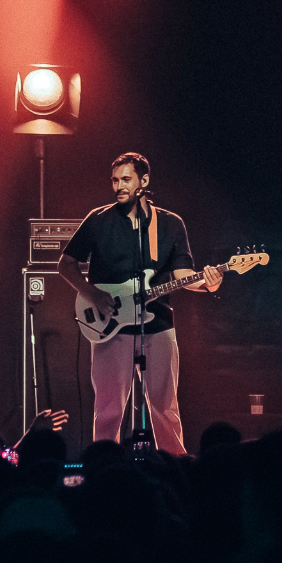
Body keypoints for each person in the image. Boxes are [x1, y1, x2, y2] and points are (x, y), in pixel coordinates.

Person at [56, 152, 221, 456]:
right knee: (108, 411)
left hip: (158, 325)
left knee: (165, 409)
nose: (118, 185)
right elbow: (65, 264)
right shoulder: (98, 219)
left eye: (126, 179)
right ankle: (103, 468)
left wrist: (208, 282)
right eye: (115, 180)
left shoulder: (170, 224)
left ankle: (175, 468)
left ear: (144, 182)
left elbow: (183, 275)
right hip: (109, 328)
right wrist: (91, 293)